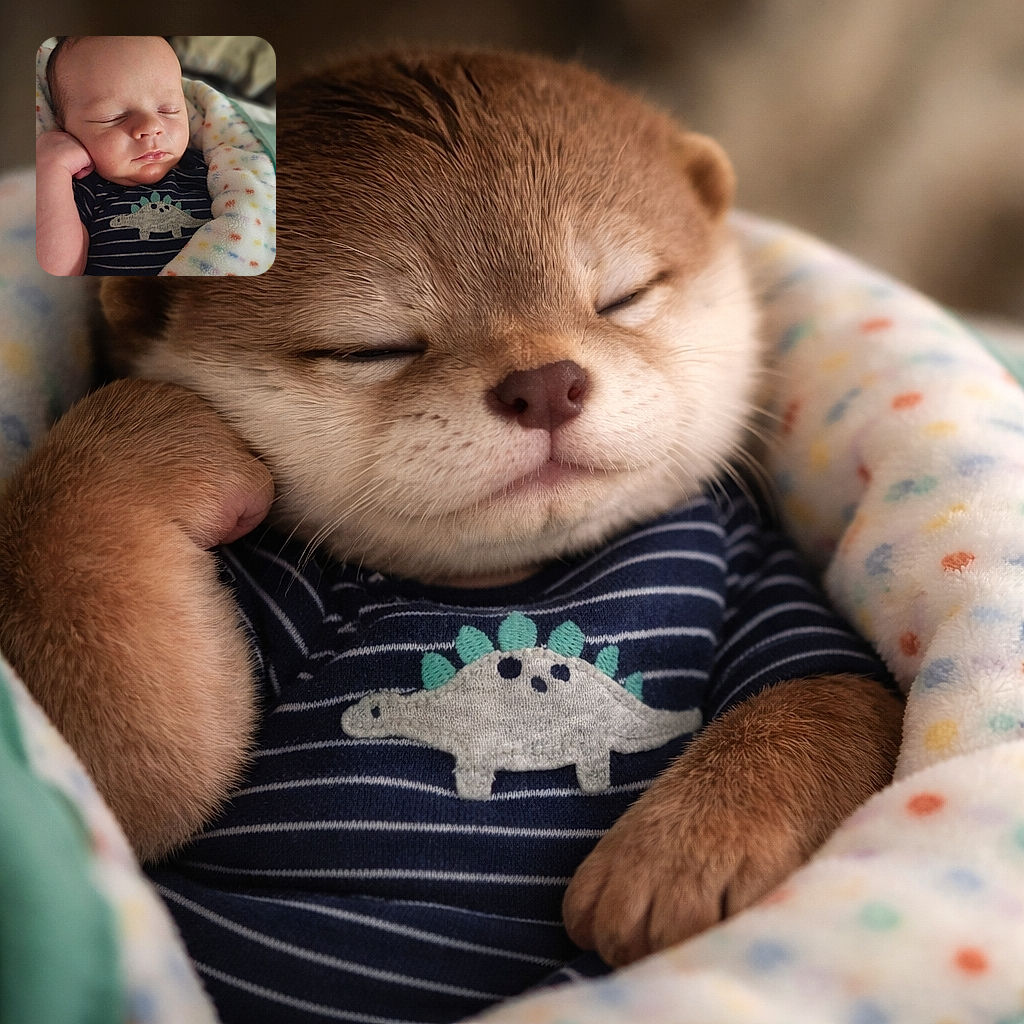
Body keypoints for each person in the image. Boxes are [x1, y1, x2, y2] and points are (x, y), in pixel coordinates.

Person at [36, 36, 211, 276]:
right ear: (64, 126)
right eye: (113, 117)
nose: (151, 126)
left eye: (168, 109)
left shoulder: (209, 170)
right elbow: (58, 272)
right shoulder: (78, 191)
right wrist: (52, 168)